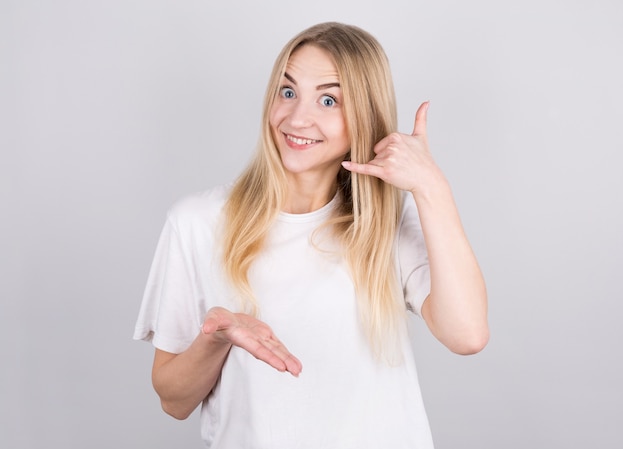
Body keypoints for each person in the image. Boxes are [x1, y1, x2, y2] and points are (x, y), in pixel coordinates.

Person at [133, 21, 488, 448]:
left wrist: (432, 186)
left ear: (366, 115)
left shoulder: (389, 221)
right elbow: (174, 401)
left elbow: (467, 334)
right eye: (287, 92)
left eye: (328, 99)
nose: (297, 117)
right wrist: (217, 339)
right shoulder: (197, 222)